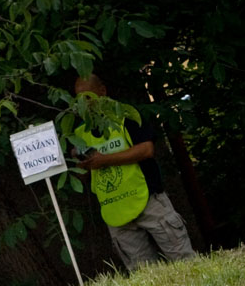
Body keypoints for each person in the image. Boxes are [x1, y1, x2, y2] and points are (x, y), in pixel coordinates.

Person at [71, 74, 196, 270]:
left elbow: (146, 150)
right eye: (78, 98)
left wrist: (104, 160)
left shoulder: (126, 116)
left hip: (148, 199)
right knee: (145, 277)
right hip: (115, 209)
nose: (83, 103)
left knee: (185, 263)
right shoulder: (79, 133)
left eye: (87, 96)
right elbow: (82, 177)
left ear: (102, 91)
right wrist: (80, 163)